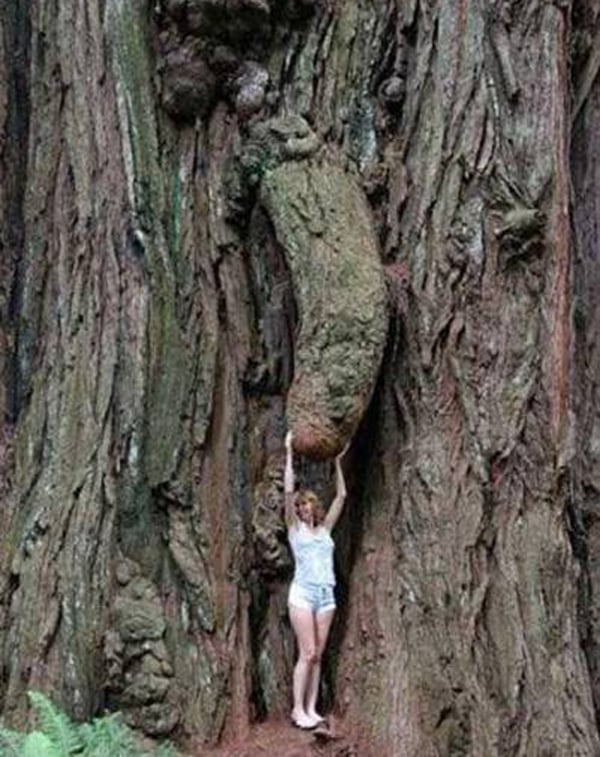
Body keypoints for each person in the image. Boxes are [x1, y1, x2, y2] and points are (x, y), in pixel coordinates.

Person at [284, 430, 348, 730]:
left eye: (306, 504)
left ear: (314, 506)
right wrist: (288, 453)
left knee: (318, 655)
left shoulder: (325, 531)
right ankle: (297, 710)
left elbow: (342, 496)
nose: (303, 508)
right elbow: (287, 492)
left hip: (326, 595)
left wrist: (337, 462)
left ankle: (312, 708)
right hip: (303, 594)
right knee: (306, 652)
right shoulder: (295, 532)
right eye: (300, 506)